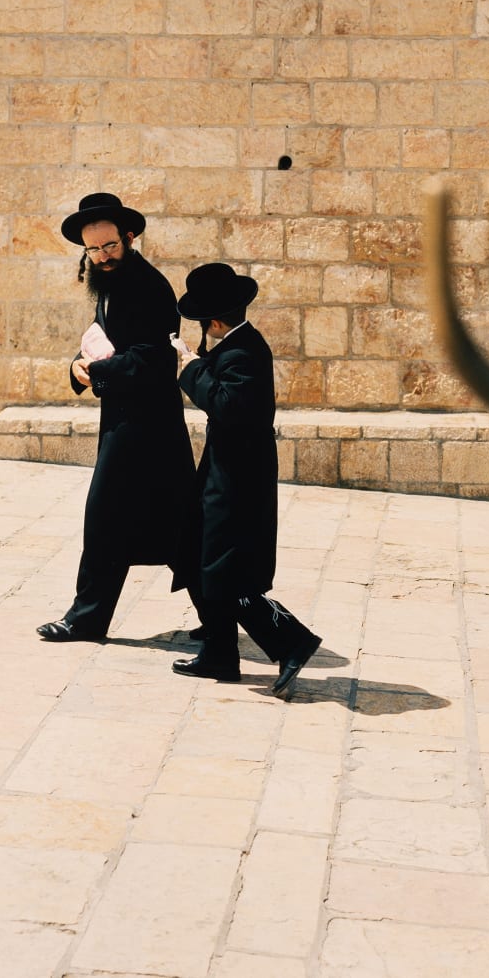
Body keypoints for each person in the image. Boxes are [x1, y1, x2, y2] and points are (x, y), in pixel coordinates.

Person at [36, 192, 199, 642]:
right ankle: (220, 618)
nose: (103, 257)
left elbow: (155, 359)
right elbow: (99, 340)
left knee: (108, 516)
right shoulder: (111, 286)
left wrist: (99, 373)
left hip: (146, 427)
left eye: (109, 246)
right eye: (93, 250)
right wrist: (76, 366)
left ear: (128, 238)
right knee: (177, 525)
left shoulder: (148, 287)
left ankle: (85, 618)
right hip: (127, 423)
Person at [170, 262, 322, 699]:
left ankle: (292, 640)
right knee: (202, 556)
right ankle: (219, 653)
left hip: (239, 478)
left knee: (225, 571)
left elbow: (226, 406)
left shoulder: (244, 352)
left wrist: (189, 368)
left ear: (214, 321)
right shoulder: (238, 346)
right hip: (225, 471)